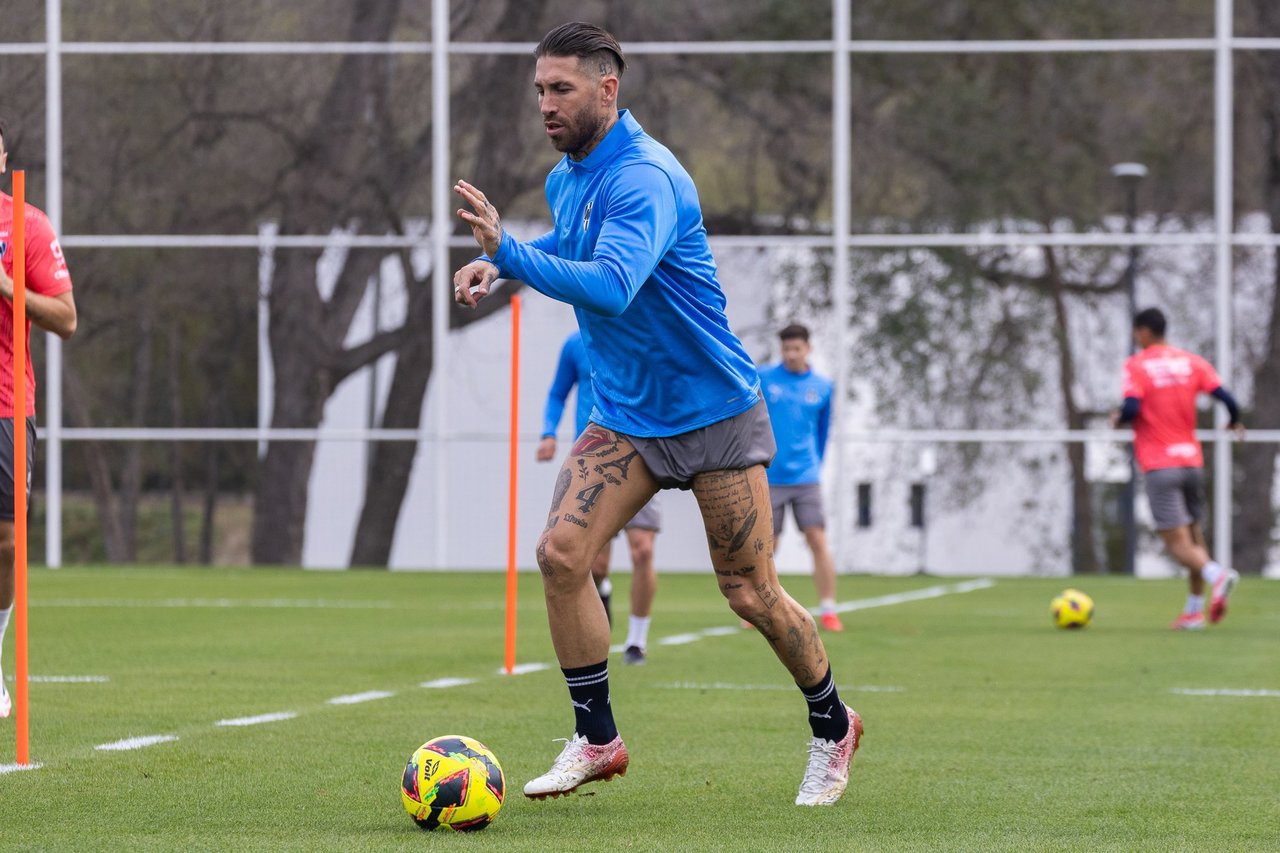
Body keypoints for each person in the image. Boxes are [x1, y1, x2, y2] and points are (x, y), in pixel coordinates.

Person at [452, 22, 861, 806]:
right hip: (627, 417)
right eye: (539, 89)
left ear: (607, 88)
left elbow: (611, 285)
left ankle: (833, 723)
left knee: (750, 594)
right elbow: (573, 247)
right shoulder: (567, 179)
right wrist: (497, 265)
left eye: (562, 88)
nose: (546, 104)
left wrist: (510, 254)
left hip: (713, 412)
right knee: (561, 554)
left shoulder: (646, 176)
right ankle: (597, 739)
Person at [0, 119, 78, 718]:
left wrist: (8, 288)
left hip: (6, 402)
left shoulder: (26, 223)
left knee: (6, 541)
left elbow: (66, 318)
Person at [538, 329, 662, 664]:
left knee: (643, 550)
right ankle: (602, 590)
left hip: (642, 453)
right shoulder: (574, 343)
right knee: (595, 565)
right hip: (592, 463)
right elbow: (557, 393)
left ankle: (636, 642)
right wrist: (548, 432)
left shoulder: (643, 333)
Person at [1113, 308, 1242, 630]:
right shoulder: (1192, 362)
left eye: (1136, 332)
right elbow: (1228, 399)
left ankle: (1218, 575)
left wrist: (1118, 420)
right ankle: (1194, 612)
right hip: (1191, 463)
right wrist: (1234, 421)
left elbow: (1131, 407)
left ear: (1144, 332)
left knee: (1178, 545)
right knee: (1194, 540)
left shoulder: (1137, 365)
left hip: (1161, 466)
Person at [760, 323, 842, 632]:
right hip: (770, 477)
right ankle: (760, 606)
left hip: (806, 478)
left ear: (808, 349)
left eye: (796, 348)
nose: (791, 354)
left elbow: (823, 432)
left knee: (817, 540)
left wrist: (814, 466)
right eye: (786, 349)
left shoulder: (823, 386)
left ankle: (829, 609)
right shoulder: (764, 378)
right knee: (767, 545)